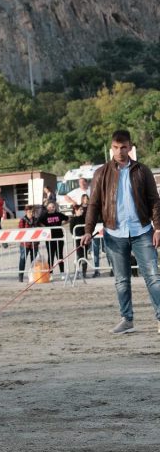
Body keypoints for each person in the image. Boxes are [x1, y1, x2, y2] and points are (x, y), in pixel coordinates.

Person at [82, 129, 160, 334]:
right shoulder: (101, 173)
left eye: (123, 147)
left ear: (130, 147)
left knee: (153, 277)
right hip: (114, 235)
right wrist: (88, 230)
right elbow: (93, 204)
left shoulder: (143, 171)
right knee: (122, 280)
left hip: (142, 231)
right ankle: (127, 319)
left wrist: (158, 228)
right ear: (111, 148)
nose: (120, 151)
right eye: (116, 147)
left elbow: (154, 201)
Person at [37, 200, 68, 275]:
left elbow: (67, 218)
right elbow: (38, 222)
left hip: (59, 238)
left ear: (55, 207)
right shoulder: (44, 215)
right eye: (50, 207)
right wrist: (44, 227)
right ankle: (50, 273)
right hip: (50, 239)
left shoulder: (59, 214)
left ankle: (62, 272)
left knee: (59, 255)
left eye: (53, 207)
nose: (52, 208)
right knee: (51, 256)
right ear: (47, 208)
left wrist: (63, 223)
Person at [17, 205, 40, 283]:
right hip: (25, 244)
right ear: (26, 212)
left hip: (34, 244)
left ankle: (33, 276)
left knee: (34, 261)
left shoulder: (36, 220)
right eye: (29, 212)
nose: (31, 213)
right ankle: (20, 277)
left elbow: (39, 229)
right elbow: (21, 231)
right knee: (23, 260)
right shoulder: (22, 220)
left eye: (32, 212)